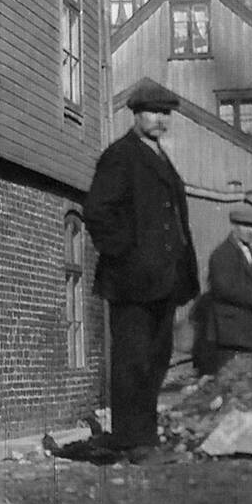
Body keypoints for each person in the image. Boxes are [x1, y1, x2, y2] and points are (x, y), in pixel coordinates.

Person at [83, 78, 199, 463]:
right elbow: (99, 212)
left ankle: (143, 438)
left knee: (156, 360)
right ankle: (133, 441)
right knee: (132, 361)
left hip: (163, 281)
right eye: (153, 112)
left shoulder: (161, 157)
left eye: (166, 113)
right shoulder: (121, 155)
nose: (160, 120)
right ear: (135, 114)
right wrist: (128, 256)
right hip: (132, 282)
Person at [193, 206, 252, 376]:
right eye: (245, 226)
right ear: (234, 227)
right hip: (228, 331)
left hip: (247, 330)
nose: (250, 231)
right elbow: (223, 289)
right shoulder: (222, 254)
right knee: (228, 379)